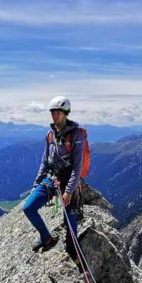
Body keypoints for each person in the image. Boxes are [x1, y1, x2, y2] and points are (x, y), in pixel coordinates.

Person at [23, 95, 86, 256]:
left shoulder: (76, 135)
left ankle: (73, 249)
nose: (55, 115)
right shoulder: (50, 134)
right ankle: (46, 237)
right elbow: (45, 161)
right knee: (29, 207)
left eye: (58, 112)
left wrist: (69, 191)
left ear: (66, 113)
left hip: (68, 181)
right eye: (53, 112)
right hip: (51, 179)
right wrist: (37, 184)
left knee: (70, 219)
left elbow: (77, 166)